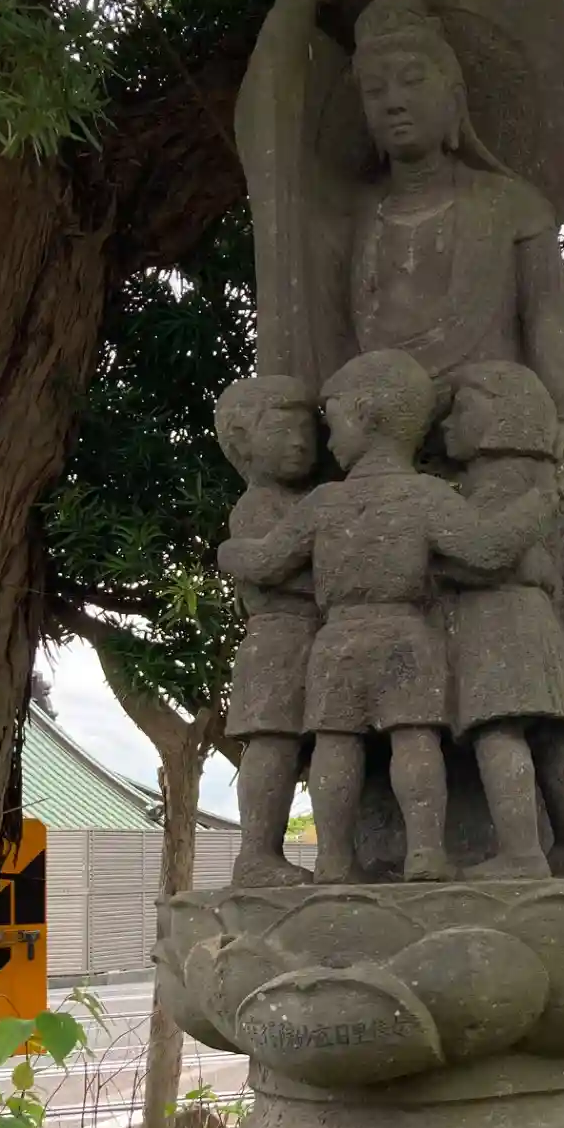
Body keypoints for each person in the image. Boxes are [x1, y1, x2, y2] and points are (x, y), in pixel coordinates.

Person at [217, 348, 556, 884]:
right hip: (405, 632)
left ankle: (333, 860)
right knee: (416, 740)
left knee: (335, 743)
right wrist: (540, 503)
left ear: (365, 415)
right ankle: (426, 852)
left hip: (337, 638)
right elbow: (488, 549)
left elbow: (266, 560)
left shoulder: (323, 502)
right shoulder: (426, 496)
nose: (328, 441)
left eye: (334, 424)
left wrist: (228, 554)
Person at [440, 362, 564, 879]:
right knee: (555, 731)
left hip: (496, 614)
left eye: (460, 411)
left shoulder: (496, 480)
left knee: (499, 728)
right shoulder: (538, 474)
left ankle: (521, 852)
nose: (447, 425)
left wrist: (437, 558)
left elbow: (486, 551)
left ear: (500, 419)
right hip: (538, 618)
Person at [213, 374, 319, 888]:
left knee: (321, 744)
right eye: (282, 431)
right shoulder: (258, 506)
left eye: (306, 431)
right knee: (274, 743)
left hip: (313, 636)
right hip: (279, 637)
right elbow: (269, 566)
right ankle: (256, 853)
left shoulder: (306, 500)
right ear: (243, 441)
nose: (298, 442)